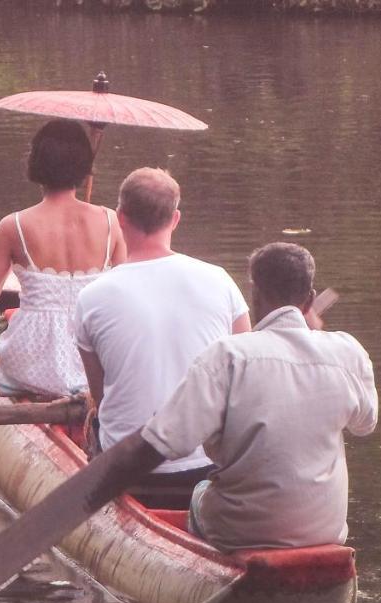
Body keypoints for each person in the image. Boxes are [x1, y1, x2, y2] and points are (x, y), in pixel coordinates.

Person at [140, 242, 378, 551]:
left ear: (254, 295)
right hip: (323, 530)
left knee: (201, 488)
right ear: (310, 300)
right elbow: (365, 423)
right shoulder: (347, 352)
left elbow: (171, 442)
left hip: (238, 532)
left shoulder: (227, 357)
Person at [71, 167, 250, 507]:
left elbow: (101, 396)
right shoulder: (220, 280)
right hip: (208, 464)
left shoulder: (92, 296)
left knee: (94, 419)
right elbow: (246, 373)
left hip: (130, 468)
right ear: (176, 218)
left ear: (121, 218)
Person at [0, 119, 126, 398]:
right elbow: (125, 292)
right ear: (84, 168)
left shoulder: (13, 226)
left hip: (31, 363)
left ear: (36, 163)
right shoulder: (110, 221)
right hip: (93, 363)